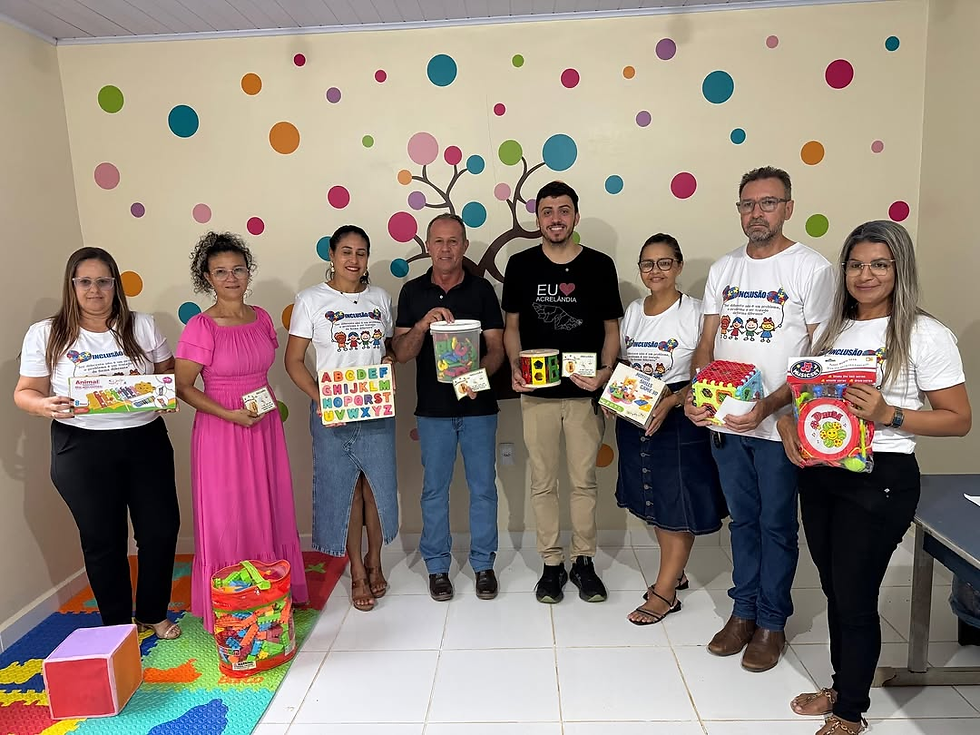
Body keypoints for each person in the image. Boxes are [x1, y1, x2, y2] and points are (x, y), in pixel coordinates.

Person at [779, 221, 970, 735]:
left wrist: (890, 414)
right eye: (856, 264)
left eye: (879, 264)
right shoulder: (832, 330)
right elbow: (809, 401)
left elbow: (958, 419)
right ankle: (844, 683)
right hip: (822, 475)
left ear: (899, 269)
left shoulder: (925, 333)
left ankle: (850, 712)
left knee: (856, 594)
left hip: (880, 478)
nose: (865, 275)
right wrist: (788, 425)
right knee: (835, 589)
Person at [686, 166, 835, 671]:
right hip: (725, 425)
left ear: (788, 207)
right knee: (743, 521)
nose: (756, 213)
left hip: (779, 429)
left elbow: (819, 356)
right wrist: (696, 393)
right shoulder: (725, 269)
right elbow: (707, 342)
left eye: (768, 203)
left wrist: (773, 408)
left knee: (776, 526)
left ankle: (772, 620)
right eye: (748, 204)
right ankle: (742, 611)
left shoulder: (811, 269)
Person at [14, 247, 181, 639]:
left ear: (115, 285)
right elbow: (25, 392)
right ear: (71, 286)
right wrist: (44, 405)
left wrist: (164, 392)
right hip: (81, 446)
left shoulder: (141, 325)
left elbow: (166, 371)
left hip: (145, 439)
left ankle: (153, 613)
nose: (95, 290)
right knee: (103, 539)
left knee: (160, 529)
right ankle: (118, 625)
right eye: (85, 281)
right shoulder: (46, 333)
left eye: (104, 281)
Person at [174, 232, 308, 633]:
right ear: (207, 278)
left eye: (237, 269)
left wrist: (250, 413)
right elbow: (183, 387)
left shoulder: (263, 318)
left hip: (263, 424)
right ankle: (232, 602)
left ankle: (272, 590)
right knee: (228, 513)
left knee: (268, 502)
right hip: (221, 430)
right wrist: (230, 415)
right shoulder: (201, 327)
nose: (231, 278)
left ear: (248, 272)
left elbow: (264, 370)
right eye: (220, 272)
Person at [502, 180, 624, 604]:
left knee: (584, 482)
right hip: (537, 394)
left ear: (575, 215)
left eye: (564, 210)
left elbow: (612, 329)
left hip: (585, 393)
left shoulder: (599, 265)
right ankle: (552, 563)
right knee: (542, 482)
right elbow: (512, 328)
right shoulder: (520, 265)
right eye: (548, 211)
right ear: (538, 218)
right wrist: (517, 369)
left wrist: (607, 373)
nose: (556, 218)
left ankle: (584, 561)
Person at [392, 214, 505, 602]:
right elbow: (402, 355)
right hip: (433, 411)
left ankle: (483, 565)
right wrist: (422, 325)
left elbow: (497, 350)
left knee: (483, 489)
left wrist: (475, 379)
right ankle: (437, 567)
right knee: (434, 491)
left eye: (453, 241)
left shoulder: (483, 290)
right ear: (427, 246)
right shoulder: (411, 292)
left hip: (479, 408)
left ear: (464, 246)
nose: (445, 249)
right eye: (438, 242)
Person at [614, 234, 726, 626]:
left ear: (679, 266)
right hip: (637, 415)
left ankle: (664, 593)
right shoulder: (632, 312)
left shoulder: (696, 313)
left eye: (664, 263)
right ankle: (674, 572)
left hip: (681, 416)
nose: (655, 271)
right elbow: (625, 365)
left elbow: (711, 367)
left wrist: (675, 401)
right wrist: (619, 400)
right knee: (652, 496)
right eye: (647, 264)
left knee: (677, 499)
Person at [285, 224, 398, 612]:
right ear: (331, 256)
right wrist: (321, 400)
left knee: (377, 490)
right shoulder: (311, 300)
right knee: (346, 493)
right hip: (332, 413)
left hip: (376, 408)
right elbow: (294, 361)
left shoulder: (380, 298)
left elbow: (385, 351)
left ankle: (375, 560)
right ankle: (357, 571)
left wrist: (388, 363)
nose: (354, 260)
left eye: (361, 252)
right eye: (346, 252)